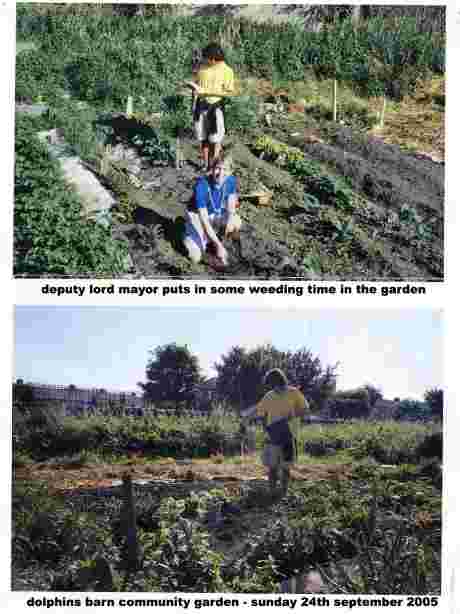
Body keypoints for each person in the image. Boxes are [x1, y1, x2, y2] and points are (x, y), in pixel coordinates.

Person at [242, 368, 309, 496]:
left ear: (281, 382)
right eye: (272, 386)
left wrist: (292, 414)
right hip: (273, 435)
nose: (273, 388)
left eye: (275, 385)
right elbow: (258, 409)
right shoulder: (269, 396)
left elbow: (305, 409)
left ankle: (283, 492)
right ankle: (271, 492)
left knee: (285, 467)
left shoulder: (294, 393)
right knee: (272, 467)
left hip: (289, 436)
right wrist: (246, 417)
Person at [183, 154, 241, 266]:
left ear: (230, 172)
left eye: (225, 169)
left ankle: (213, 239)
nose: (221, 173)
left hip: (214, 213)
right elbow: (204, 220)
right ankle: (186, 232)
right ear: (212, 169)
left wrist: (230, 218)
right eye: (218, 168)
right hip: (197, 216)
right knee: (195, 256)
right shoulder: (202, 185)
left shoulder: (231, 181)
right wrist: (218, 246)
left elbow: (231, 203)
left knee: (235, 222)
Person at [184, 43, 235, 170]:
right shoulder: (203, 68)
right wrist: (192, 87)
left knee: (215, 139)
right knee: (203, 138)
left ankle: (214, 166)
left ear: (213, 58)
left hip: (215, 107)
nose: (205, 60)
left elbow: (229, 92)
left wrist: (207, 92)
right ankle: (206, 165)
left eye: (207, 58)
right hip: (200, 107)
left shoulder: (227, 71)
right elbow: (197, 84)